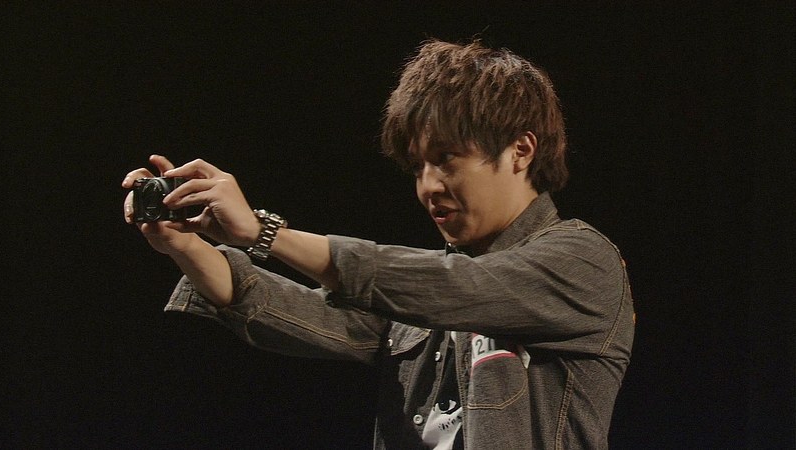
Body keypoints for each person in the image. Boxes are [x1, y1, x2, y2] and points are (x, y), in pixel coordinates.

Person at [122, 39, 634, 449]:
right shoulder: (418, 295)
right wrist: (184, 245)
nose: (428, 186)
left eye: (447, 158)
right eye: (417, 167)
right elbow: (300, 314)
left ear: (520, 150)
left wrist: (264, 231)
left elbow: (455, 287)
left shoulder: (583, 261)